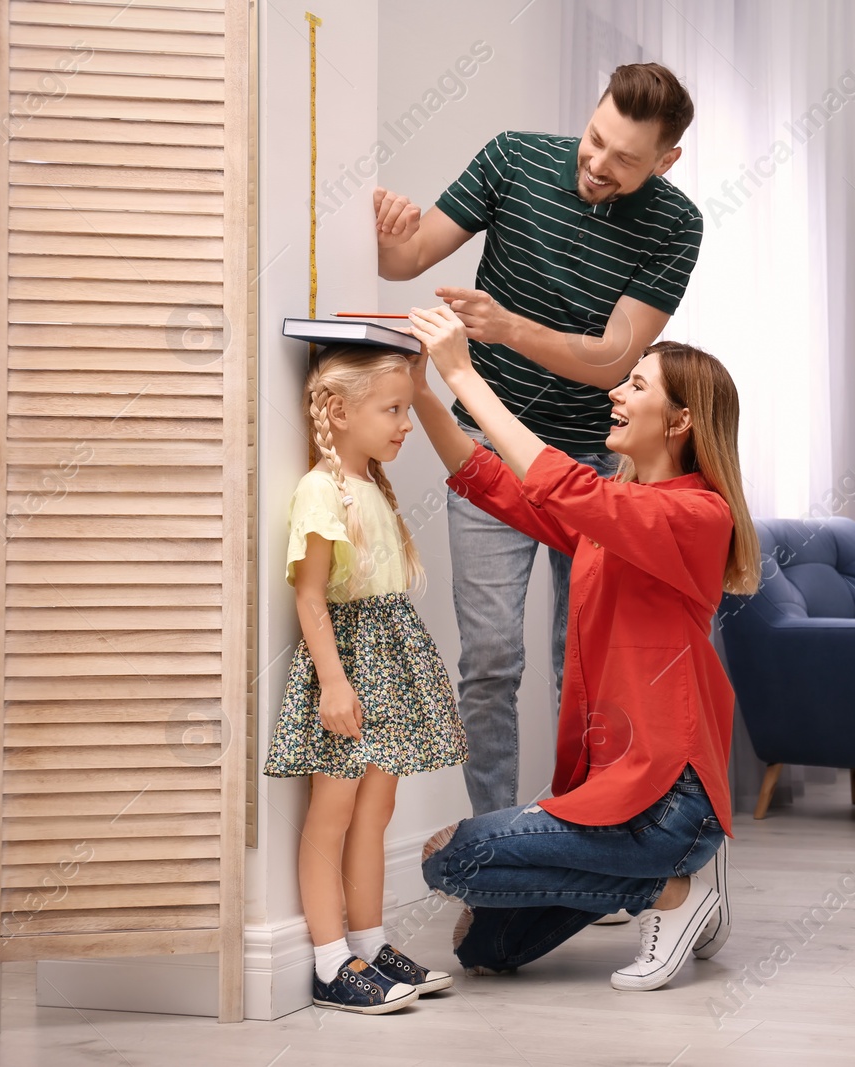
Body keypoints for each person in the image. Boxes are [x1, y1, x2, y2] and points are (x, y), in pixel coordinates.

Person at [373, 63, 704, 817]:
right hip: (490, 457)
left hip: (594, 468)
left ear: (665, 161)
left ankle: (584, 840)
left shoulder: (677, 224)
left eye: (625, 159)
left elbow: (616, 360)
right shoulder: (513, 158)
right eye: (595, 139)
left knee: (584, 664)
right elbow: (406, 259)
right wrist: (390, 231)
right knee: (489, 662)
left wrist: (506, 329)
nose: (597, 164)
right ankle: (498, 849)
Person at [404, 305, 757, 991]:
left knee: (453, 856)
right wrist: (423, 392)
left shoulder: (695, 515)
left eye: (637, 386)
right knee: (489, 946)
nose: (616, 393)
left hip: (669, 800)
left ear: (681, 420)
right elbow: (496, 484)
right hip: (612, 793)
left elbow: (563, 484)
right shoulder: (613, 519)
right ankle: (673, 886)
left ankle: (671, 893)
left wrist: (463, 373)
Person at [264, 346, 470, 1014]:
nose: (405, 423)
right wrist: (332, 681)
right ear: (338, 411)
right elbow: (310, 596)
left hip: (388, 663)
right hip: (352, 667)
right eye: (393, 409)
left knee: (374, 813)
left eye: (406, 407)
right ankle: (330, 961)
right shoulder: (320, 492)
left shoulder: (373, 485)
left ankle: (372, 944)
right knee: (333, 814)